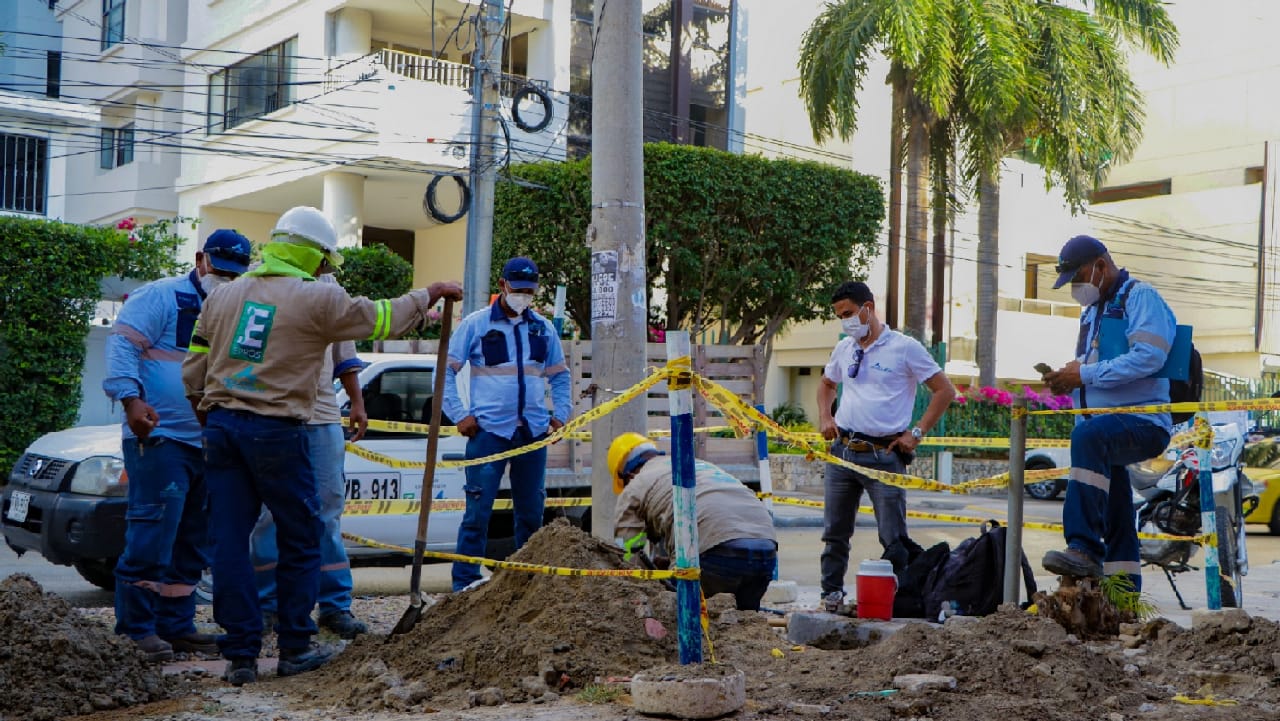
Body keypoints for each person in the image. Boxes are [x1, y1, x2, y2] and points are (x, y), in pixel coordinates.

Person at [182, 206, 462, 686]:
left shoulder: (224, 295)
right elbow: (381, 318)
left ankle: (241, 655)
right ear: (315, 256)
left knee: (228, 541)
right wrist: (430, 293)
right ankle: (295, 646)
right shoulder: (316, 297)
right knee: (301, 535)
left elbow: (194, 367)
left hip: (223, 428)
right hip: (277, 431)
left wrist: (209, 416)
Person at [103, 228, 252, 663]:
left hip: (208, 439)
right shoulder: (160, 297)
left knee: (191, 541)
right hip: (161, 438)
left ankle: (176, 625)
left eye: (234, 274)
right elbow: (123, 347)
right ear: (200, 259)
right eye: (220, 270)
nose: (225, 280)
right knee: (152, 535)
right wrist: (131, 400)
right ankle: (136, 631)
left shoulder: (238, 307)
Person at [1041, 235, 1176, 589]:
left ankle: (1083, 548)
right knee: (1116, 509)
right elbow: (1097, 367)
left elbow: (1149, 356)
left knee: (1088, 437)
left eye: (1078, 278)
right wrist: (1069, 379)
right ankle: (1125, 593)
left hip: (1143, 422)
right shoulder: (1092, 311)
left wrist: (1083, 374)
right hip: (1104, 425)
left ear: (1100, 266)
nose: (1076, 288)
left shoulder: (1140, 297)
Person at [816, 281, 956, 613]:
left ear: (869, 308)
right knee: (835, 533)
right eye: (840, 316)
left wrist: (917, 433)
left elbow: (945, 390)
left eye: (849, 313)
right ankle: (831, 595)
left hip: (884, 455)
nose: (846, 321)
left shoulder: (904, 348)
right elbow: (827, 384)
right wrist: (825, 416)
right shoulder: (845, 347)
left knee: (894, 537)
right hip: (843, 452)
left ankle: (900, 599)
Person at [249, 273, 370, 640]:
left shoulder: (332, 292)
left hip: (321, 415)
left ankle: (334, 604)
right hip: (275, 414)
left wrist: (357, 402)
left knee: (327, 513)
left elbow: (344, 358)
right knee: (270, 515)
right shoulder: (263, 284)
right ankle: (268, 603)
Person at [442, 257, 572, 592]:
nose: (523, 296)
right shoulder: (476, 325)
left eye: (529, 291)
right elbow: (445, 372)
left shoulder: (543, 328)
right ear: (502, 285)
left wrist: (561, 415)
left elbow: (560, 376)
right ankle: (465, 584)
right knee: (477, 513)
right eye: (518, 289)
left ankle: (526, 584)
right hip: (489, 432)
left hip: (532, 433)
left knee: (531, 514)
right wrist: (458, 414)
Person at [609, 433, 778, 611]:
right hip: (766, 551)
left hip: (712, 552)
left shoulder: (635, 486)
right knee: (743, 620)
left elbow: (628, 558)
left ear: (628, 475)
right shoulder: (697, 465)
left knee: (673, 613)